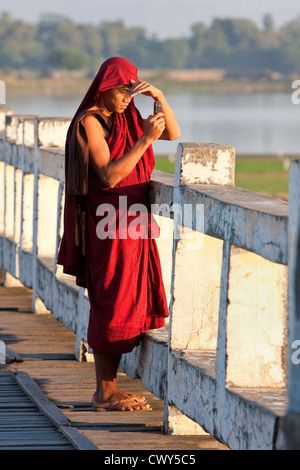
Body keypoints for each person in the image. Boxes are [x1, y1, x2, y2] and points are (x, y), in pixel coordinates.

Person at [57, 57, 180, 411]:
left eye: (132, 91)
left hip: (134, 219)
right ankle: (104, 392)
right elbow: (109, 176)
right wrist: (143, 141)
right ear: (105, 86)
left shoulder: (124, 116)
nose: (128, 98)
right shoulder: (90, 123)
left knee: (130, 297)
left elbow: (172, 133)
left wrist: (159, 97)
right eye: (123, 91)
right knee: (111, 297)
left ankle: (111, 389)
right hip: (108, 222)